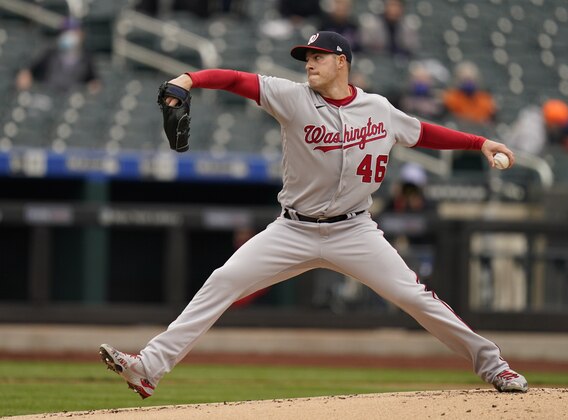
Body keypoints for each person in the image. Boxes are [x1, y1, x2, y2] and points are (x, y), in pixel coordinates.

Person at [99, 31, 528, 398]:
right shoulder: (291, 98)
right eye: (307, 58)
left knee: (416, 298)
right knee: (223, 281)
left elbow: (423, 131)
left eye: (318, 57)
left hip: (355, 231)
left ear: (342, 62)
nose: (309, 64)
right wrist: (188, 79)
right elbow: (235, 80)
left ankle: (495, 366)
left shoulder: (379, 109)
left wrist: (478, 143)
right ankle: (148, 368)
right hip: (292, 229)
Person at [14, 18, 100, 94]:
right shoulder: (49, 54)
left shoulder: (87, 59)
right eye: (65, 31)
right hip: (47, 97)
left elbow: (94, 82)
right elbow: (30, 72)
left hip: (71, 100)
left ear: (81, 34)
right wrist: (26, 76)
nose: (68, 35)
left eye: (72, 32)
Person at [443, 61, 496, 125]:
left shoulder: (485, 99)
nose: (468, 83)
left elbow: (491, 121)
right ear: (458, 80)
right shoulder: (450, 97)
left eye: (471, 79)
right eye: (465, 79)